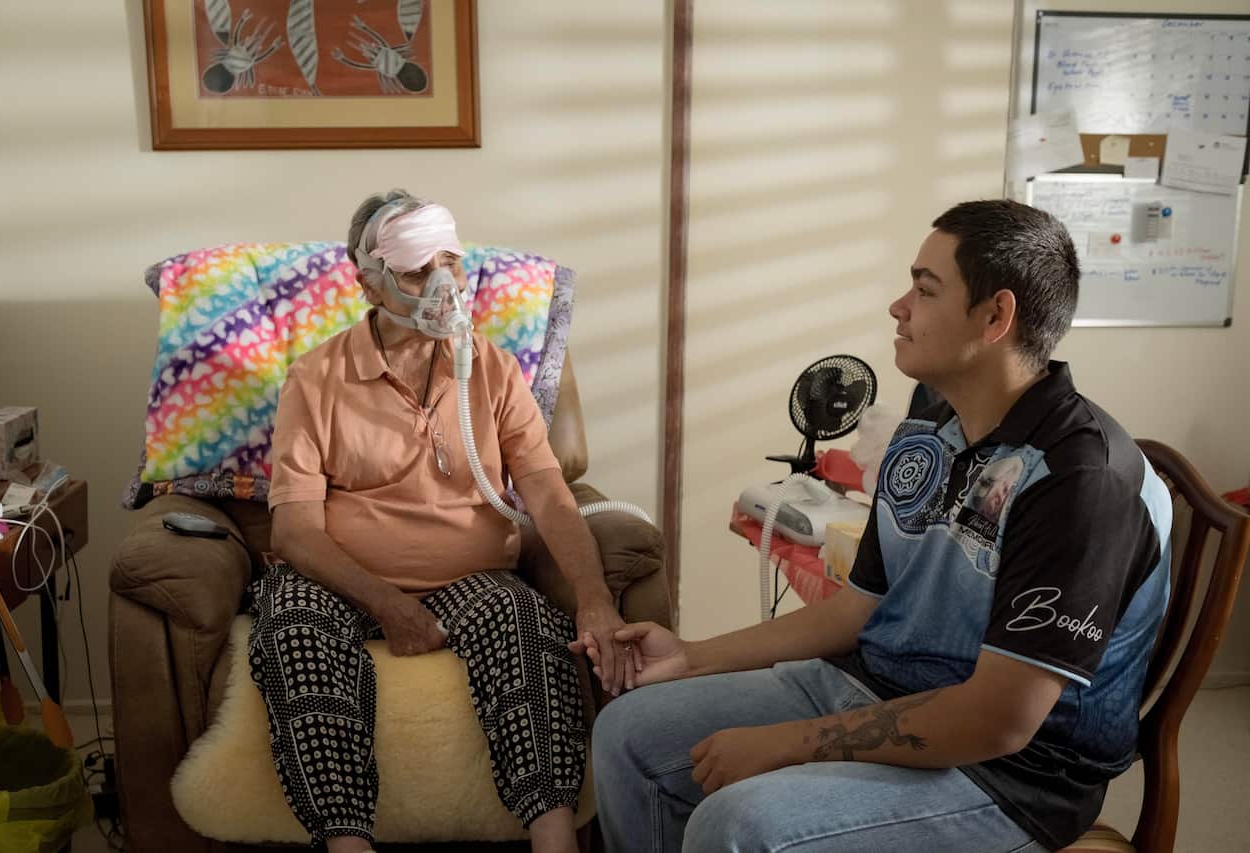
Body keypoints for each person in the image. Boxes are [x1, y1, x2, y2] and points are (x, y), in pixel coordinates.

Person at [586, 199, 1172, 852]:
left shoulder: (1080, 478)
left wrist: (786, 746)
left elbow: (1001, 719)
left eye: (924, 289)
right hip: (871, 683)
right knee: (626, 733)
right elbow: (857, 609)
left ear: (996, 316)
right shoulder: (929, 419)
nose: (899, 306)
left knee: (738, 824)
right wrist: (691, 654)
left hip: (1011, 774)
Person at [252, 190, 634, 853]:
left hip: (471, 577)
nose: (442, 286)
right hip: (342, 581)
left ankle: (555, 840)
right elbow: (293, 532)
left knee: (528, 623)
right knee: (289, 625)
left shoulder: (489, 367)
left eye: (450, 263)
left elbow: (545, 487)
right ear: (367, 281)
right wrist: (391, 605)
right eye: (416, 272)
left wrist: (595, 598)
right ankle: (347, 843)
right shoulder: (316, 379)